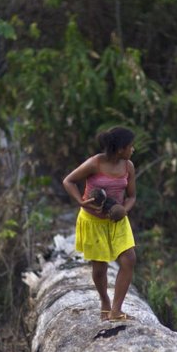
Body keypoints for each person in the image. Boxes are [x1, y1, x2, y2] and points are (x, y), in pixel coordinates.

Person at [62, 126, 137, 321]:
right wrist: (80, 200)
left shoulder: (128, 166)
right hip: (93, 221)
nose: (133, 150)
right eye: (130, 146)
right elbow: (68, 181)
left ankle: (116, 310)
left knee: (129, 260)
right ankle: (104, 302)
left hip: (117, 221)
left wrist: (124, 210)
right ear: (120, 148)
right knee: (99, 268)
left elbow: (132, 196)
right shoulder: (94, 163)